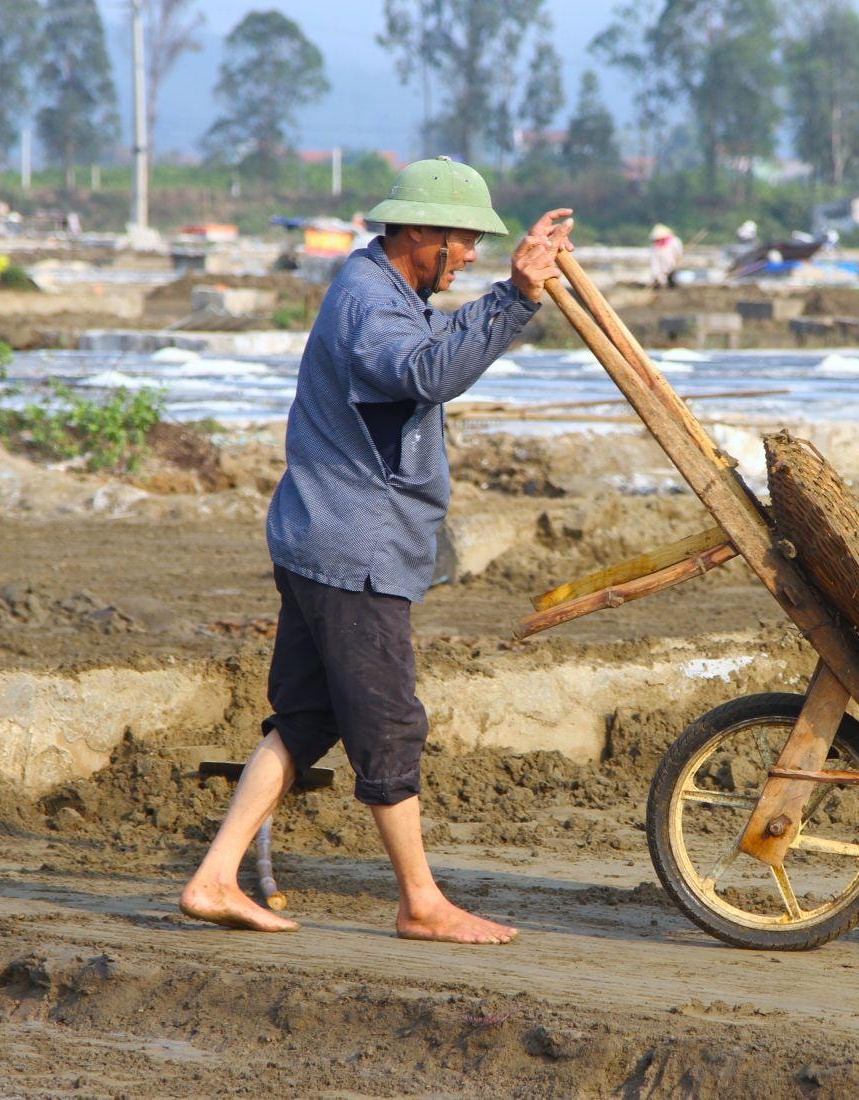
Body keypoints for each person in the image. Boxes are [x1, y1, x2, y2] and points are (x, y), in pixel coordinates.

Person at [180, 156, 574, 945]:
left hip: (323, 536)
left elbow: (437, 342)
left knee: (306, 718)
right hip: (352, 548)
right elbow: (428, 370)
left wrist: (510, 293)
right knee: (389, 724)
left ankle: (214, 878)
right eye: (462, 240)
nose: (467, 254)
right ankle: (421, 901)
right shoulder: (370, 304)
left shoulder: (388, 289)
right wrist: (518, 297)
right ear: (419, 231)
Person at [649, 222, 683, 289]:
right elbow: (655, 261)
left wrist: (674, 265)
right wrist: (656, 274)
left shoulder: (675, 242)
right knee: (659, 281)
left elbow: (678, 255)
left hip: (673, 265)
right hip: (661, 267)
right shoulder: (654, 247)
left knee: (672, 280)